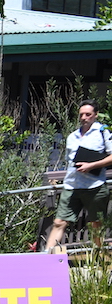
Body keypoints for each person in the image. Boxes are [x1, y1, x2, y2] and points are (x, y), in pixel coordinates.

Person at [44, 99, 112, 253]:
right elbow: (69, 161)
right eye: (81, 114)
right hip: (72, 186)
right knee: (59, 222)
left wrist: (92, 166)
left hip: (95, 186)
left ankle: (98, 258)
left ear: (95, 115)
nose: (84, 117)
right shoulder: (72, 136)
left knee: (96, 224)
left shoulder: (103, 132)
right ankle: (46, 257)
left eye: (88, 114)